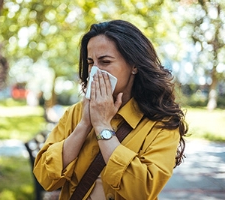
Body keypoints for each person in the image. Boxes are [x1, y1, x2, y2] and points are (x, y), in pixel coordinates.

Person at [33, 20, 188, 200]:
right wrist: (84, 125)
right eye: (91, 62)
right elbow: (45, 177)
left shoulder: (161, 123)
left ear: (134, 65)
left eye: (105, 61)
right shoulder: (76, 113)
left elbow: (141, 191)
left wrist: (102, 126)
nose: (95, 72)